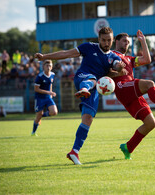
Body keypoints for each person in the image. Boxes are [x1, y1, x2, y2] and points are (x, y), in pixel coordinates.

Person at [34, 27, 124, 165]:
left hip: (94, 90)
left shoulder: (113, 56)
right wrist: (45, 57)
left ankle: (74, 152)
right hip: (82, 78)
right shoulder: (88, 47)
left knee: (87, 119)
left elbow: (117, 65)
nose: (106, 43)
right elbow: (66, 53)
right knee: (92, 80)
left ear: (112, 40)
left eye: (109, 40)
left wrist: (119, 68)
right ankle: (84, 88)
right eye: (104, 40)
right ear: (99, 39)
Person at [109, 30, 155, 160]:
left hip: (131, 93)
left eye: (128, 42)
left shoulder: (130, 59)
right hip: (122, 88)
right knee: (149, 84)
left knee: (151, 123)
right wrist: (117, 73)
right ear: (116, 41)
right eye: (124, 41)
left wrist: (143, 41)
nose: (126, 43)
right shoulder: (111, 55)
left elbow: (147, 59)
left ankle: (128, 147)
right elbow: (105, 71)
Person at [31, 60, 58, 136]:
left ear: (52, 67)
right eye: (47, 66)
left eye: (50, 66)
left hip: (48, 97)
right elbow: (36, 89)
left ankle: (41, 116)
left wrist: (51, 93)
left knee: (54, 112)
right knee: (38, 115)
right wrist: (48, 92)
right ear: (43, 67)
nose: (48, 67)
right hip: (39, 98)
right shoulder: (39, 77)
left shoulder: (52, 74)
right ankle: (33, 132)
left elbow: (50, 84)